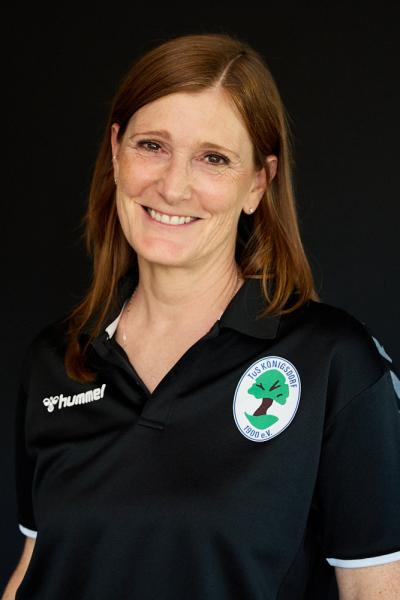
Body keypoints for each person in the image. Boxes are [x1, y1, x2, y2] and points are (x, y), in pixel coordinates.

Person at [3, 32, 399, 600]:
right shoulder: (58, 359)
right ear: (115, 152)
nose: (173, 186)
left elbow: (373, 589)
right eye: (151, 146)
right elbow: (36, 563)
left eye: (213, 159)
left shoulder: (334, 362)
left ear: (258, 183)